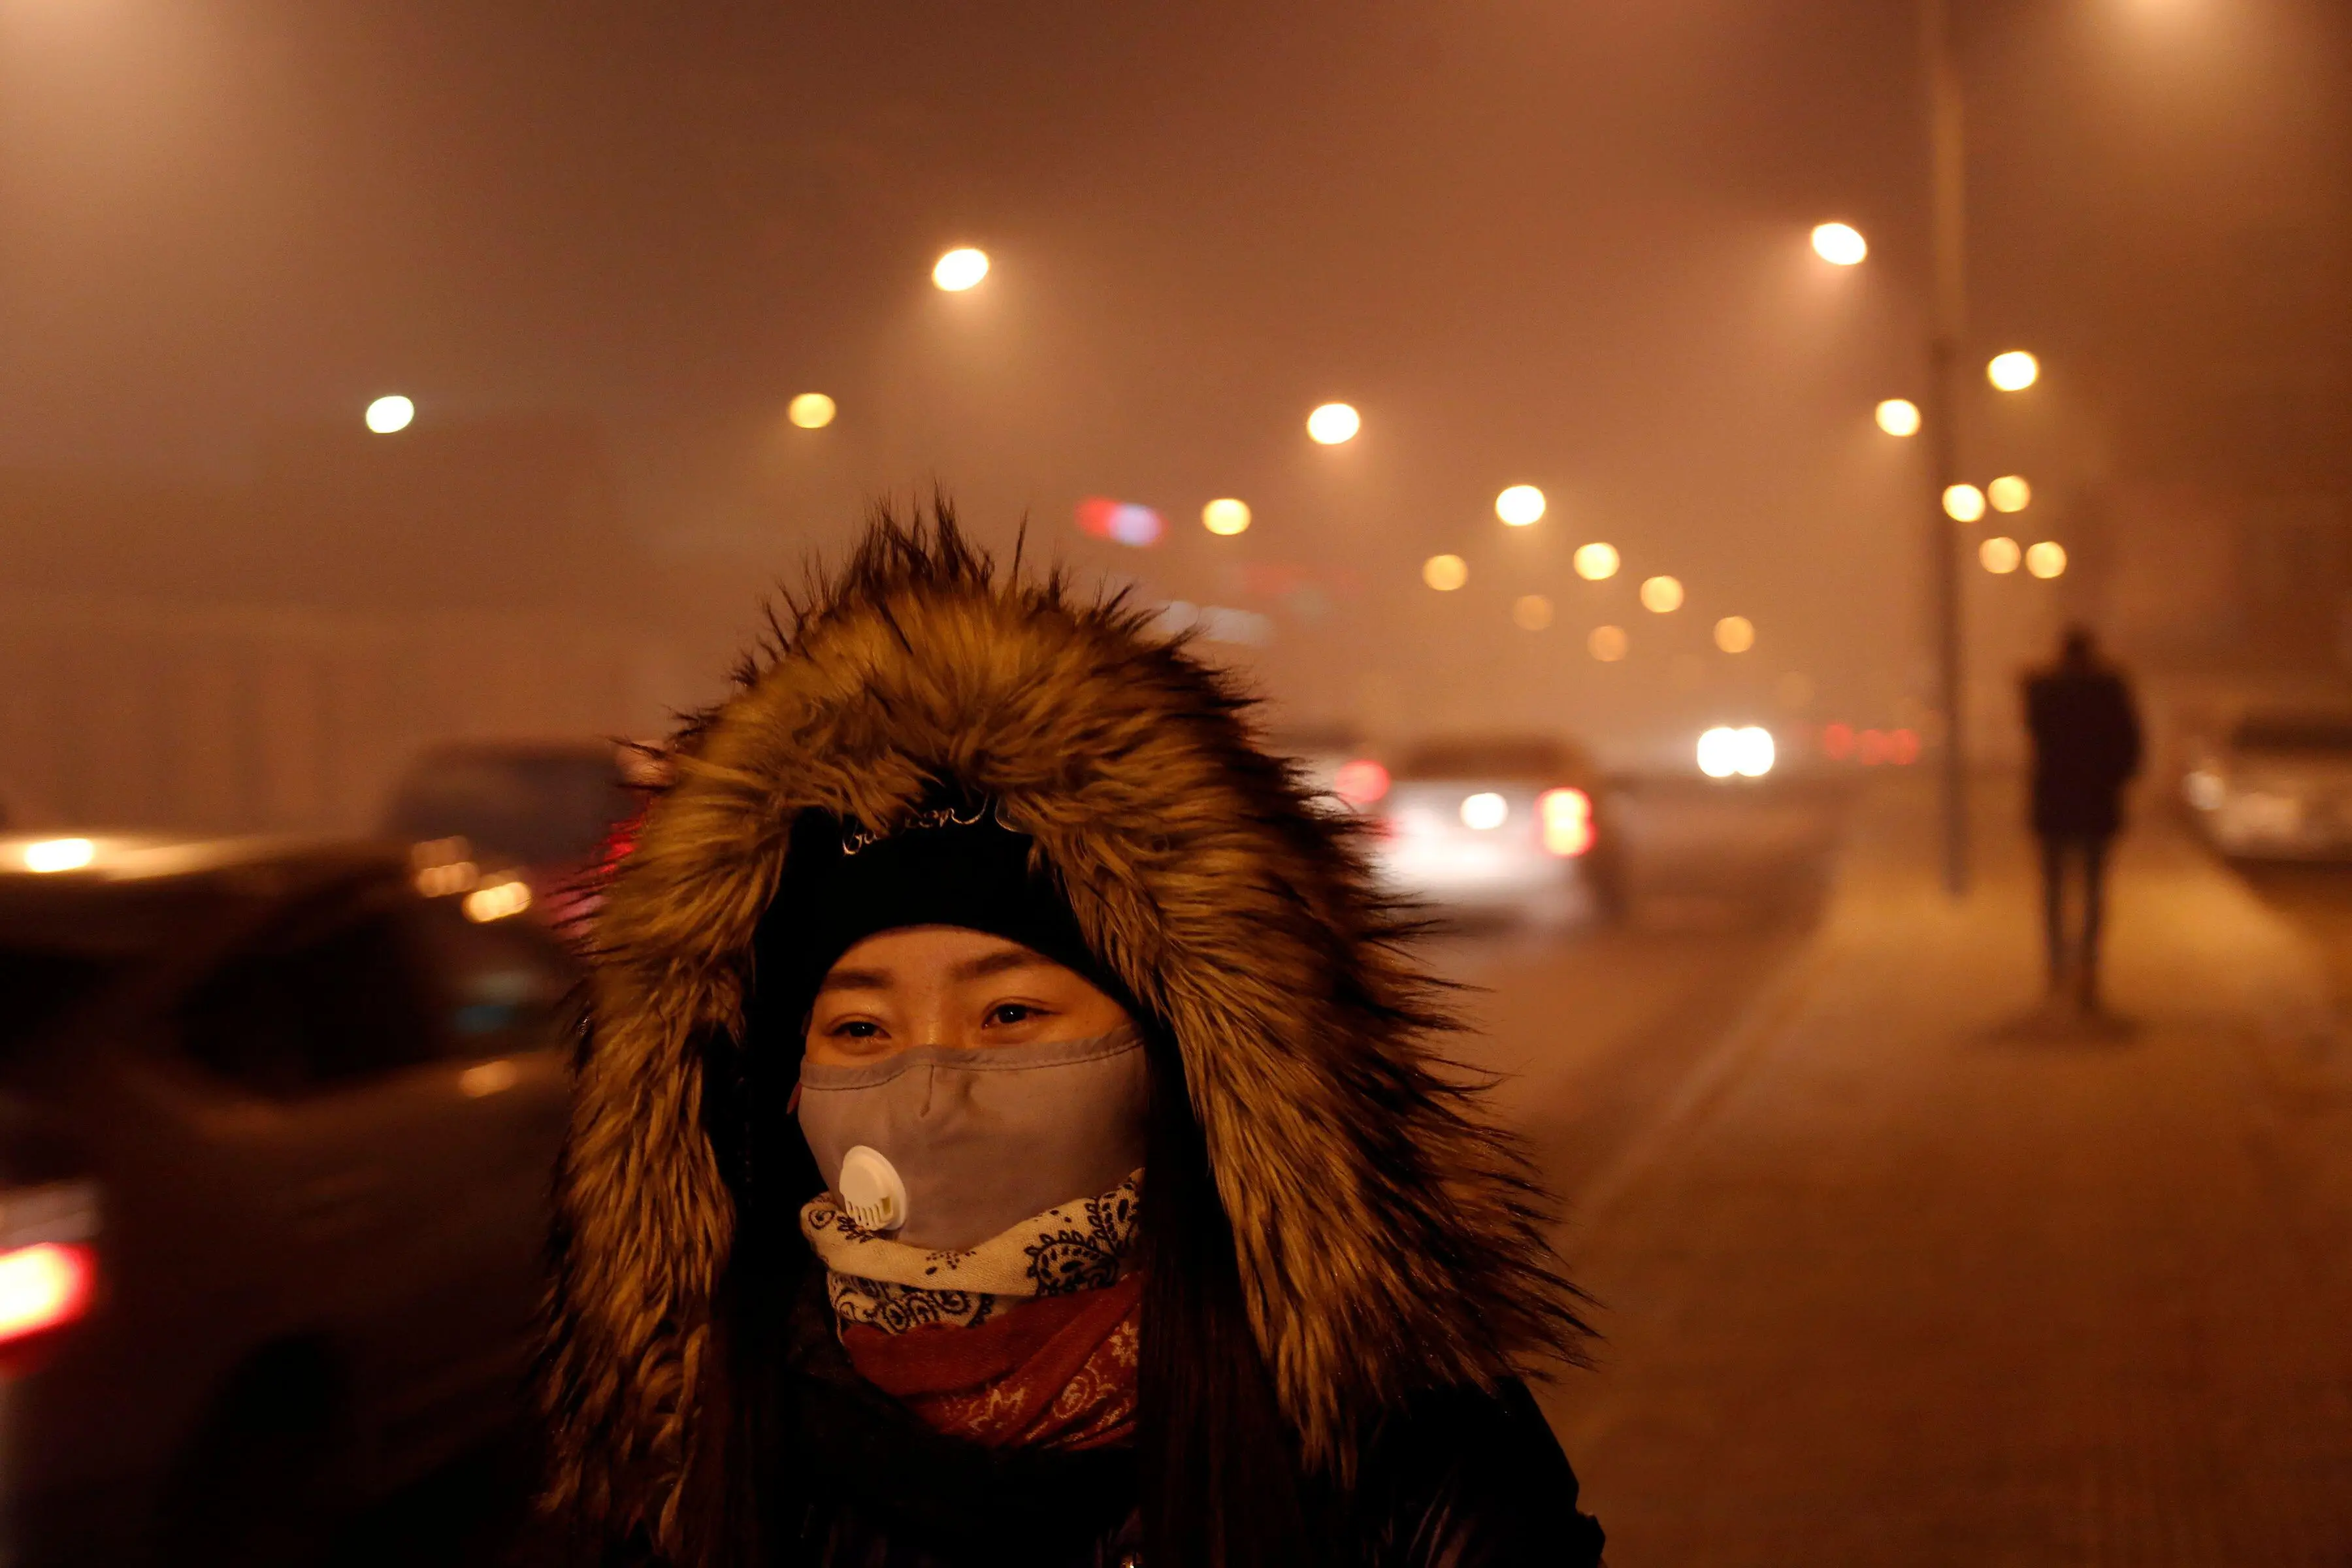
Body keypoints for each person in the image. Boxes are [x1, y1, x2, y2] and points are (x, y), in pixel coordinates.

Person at [540, 506, 1605, 1567]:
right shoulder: (691, 1475)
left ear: (1176, 1058)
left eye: (1010, 1014)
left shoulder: (1397, 1454)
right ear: (777, 1090)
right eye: (861, 1028)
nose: (930, 1092)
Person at [2023, 624, 2143, 1011]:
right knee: (2092, 891)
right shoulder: (2110, 692)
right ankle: (2087, 969)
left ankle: (2057, 968)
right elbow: (2132, 749)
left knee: (2055, 893)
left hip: (2054, 806)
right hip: (2096, 805)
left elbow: (2034, 729)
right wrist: (2114, 782)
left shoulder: (2045, 692)